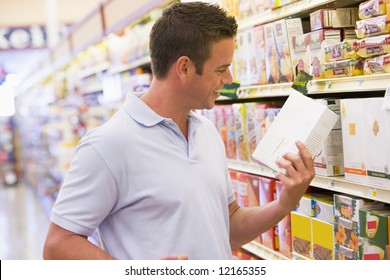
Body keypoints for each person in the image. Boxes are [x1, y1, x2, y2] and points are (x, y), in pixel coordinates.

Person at [43, 1, 315, 260]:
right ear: (184, 67)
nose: (229, 79)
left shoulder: (207, 132)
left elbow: (227, 227)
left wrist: (283, 203)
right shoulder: (107, 145)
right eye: (221, 69)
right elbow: (57, 245)